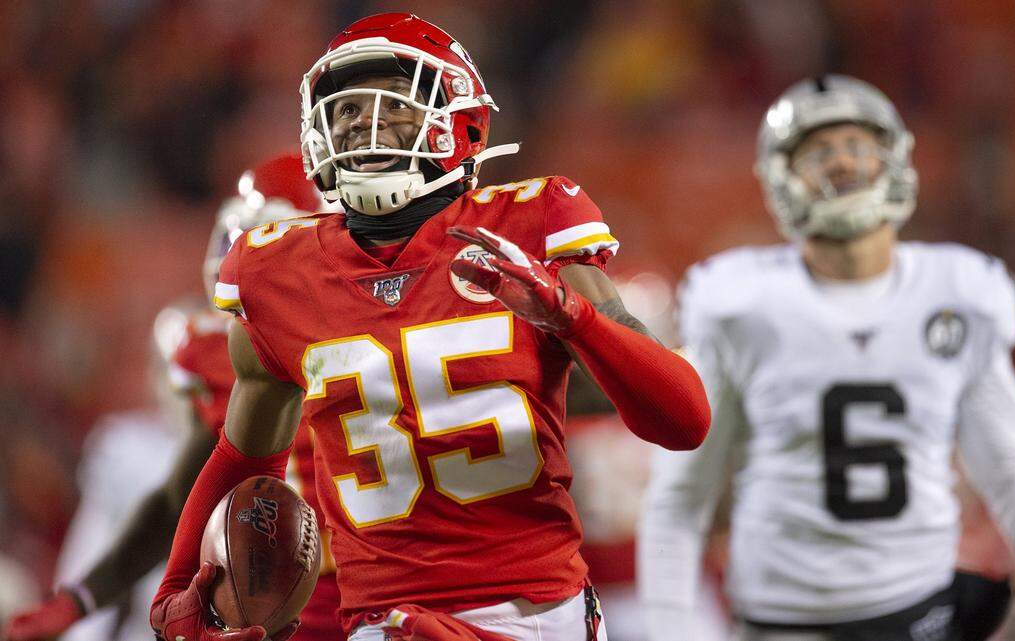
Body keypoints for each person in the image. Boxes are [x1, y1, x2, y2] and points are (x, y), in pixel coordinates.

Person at [148, 13, 710, 641]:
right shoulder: (276, 272)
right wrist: (177, 585)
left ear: (459, 120)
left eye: (391, 101)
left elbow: (684, 420)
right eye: (347, 110)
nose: (364, 121)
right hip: (383, 620)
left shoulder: (528, 226)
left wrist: (569, 315)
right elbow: (245, 455)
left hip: (535, 614)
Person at [637, 75, 1015, 641]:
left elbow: (1007, 459)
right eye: (819, 152)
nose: (842, 163)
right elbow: (680, 497)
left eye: (857, 146)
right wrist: (670, 629)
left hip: (921, 610)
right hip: (783, 621)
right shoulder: (740, 305)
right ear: (780, 178)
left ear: (893, 157)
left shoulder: (959, 291)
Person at [4, 156, 345, 641]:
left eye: (263, 244)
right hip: (276, 611)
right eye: (240, 242)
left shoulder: (382, 338)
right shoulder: (225, 354)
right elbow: (179, 497)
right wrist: (79, 600)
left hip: (386, 596)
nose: (241, 264)